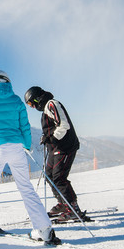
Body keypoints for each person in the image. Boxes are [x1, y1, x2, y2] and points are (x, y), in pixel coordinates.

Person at [0, 70, 60, 249]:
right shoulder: (17, 100)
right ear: (7, 81)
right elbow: (24, 126)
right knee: (26, 188)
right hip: (16, 148)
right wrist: (27, 146)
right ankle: (45, 230)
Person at [24, 86, 83, 221]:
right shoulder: (46, 109)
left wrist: (52, 138)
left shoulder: (52, 104)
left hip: (65, 146)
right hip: (55, 148)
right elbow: (52, 128)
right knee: (50, 176)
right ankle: (63, 203)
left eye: (31, 103)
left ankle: (73, 208)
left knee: (59, 177)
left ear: (36, 99)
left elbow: (64, 124)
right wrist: (46, 138)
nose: (32, 107)